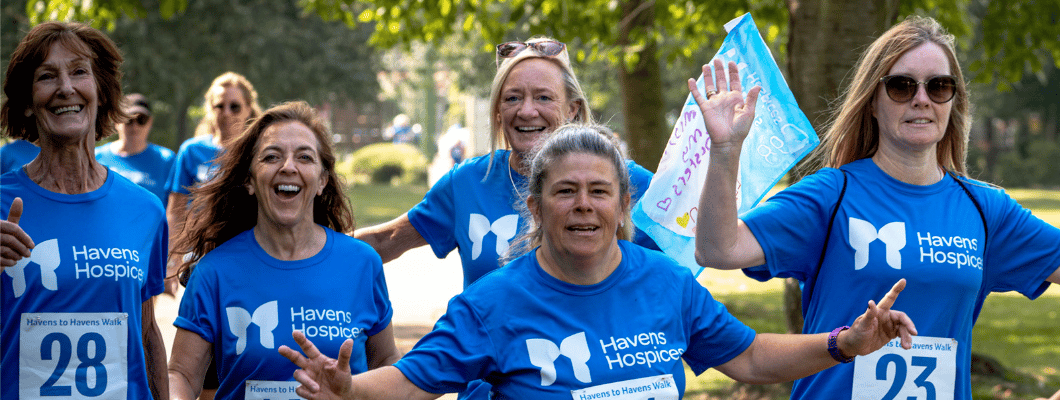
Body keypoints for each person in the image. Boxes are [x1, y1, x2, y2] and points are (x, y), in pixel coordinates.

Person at [279, 124, 918, 399]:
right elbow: (415, 381)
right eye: (565, 192)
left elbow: (749, 357)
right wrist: (350, 389)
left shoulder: (666, 282)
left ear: (622, 207)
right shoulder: (494, 302)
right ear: (536, 206)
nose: (583, 207)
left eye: (599, 192)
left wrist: (843, 343)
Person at [692, 16, 1060, 400]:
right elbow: (718, 249)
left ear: (954, 101)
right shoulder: (832, 195)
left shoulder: (987, 210)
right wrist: (725, 150)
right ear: (871, 101)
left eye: (939, 86)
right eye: (901, 86)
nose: (922, 98)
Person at [354, 37, 659, 399]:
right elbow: (386, 241)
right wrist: (294, 249)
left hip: (591, 383)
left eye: (544, 97)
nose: (526, 111)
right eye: (512, 98)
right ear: (498, 111)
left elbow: (688, 249)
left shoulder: (621, 180)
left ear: (574, 109)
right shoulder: (468, 183)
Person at [167, 101, 399, 400]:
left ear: (322, 181)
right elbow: (182, 375)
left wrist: (355, 391)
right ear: (249, 180)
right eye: (272, 156)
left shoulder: (362, 264)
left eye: (304, 157)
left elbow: (387, 362)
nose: (288, 167)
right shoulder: (213, 272)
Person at [0, 21, 168, 399]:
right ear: (27, 101)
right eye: (47, 76)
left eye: (79, 72)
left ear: (101, 92)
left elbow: (147, 331)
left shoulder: (145, 211)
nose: (65, 88)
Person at [165, 72, 263, 399]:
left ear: (249, 109)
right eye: (220, 105)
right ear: (210, 109)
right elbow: (177, 208)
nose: (227, 113)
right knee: (204, 348)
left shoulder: (260, 151)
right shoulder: (192, 152)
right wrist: (174, 256)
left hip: (250, 264)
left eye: (235, 106)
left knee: (246, 344)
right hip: (203, 265)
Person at [96, 93, 176, 203]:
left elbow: (177, 205)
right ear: (116, 121)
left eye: (141, 119)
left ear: (150, 122)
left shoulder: (166, 160)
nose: (135, 126)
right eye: (129, 120)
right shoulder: (96, 157)